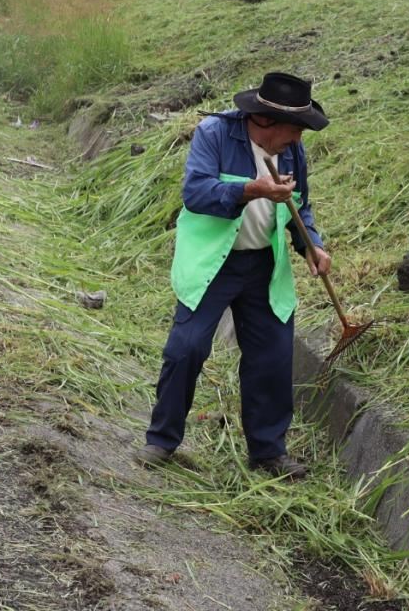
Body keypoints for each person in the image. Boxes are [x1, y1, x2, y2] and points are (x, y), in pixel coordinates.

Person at [141, 72, 332, 481]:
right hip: (213, 262)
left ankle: (268, 451)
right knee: (187, 347)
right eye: (294, 130)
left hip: (263, 264)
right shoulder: (215, 134)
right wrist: (253, 190)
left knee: (273, 356)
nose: (298, 140)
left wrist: (311, 245)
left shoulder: (292, 152)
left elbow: (302, 206)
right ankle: (162, 439)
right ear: (264, 120)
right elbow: (195, 192)